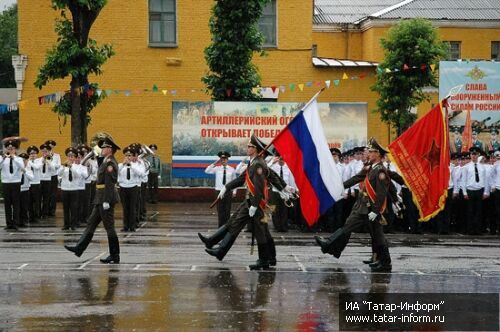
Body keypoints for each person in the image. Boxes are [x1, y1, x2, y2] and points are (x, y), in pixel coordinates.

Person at [198, 134, 289, 270]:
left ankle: (264, 259)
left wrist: (254, 204)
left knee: (259, 230)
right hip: (252, 201)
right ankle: (270, 258)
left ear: (256, 149)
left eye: (250, 146)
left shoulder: (258, 164)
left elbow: (258, 186)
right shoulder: (254, 162)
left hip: (256, 202)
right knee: (237, 222)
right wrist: (227, 187)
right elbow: (244, 178)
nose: (247, 148)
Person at [315, 138, 393, 272]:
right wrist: (340, 187)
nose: (369, 154)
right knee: (372, 234)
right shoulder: (370, 167)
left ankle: (385, 262)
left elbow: (381, 194)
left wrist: (375, 211)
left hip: (370, 209)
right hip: (363, 207)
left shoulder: (380, 171)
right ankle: (382, 260)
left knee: (375, 234)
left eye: (372, 152)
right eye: (369, 151)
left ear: (378, 154)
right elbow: (356, 178)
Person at [64, 136, 121, 264]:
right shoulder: (105, 160)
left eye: (104, 147)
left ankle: (115, 255)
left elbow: (110, 183)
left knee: (109, 227)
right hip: (100, 198)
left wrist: (106, 200)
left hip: (106, 199)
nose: (102, 149)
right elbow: (91, 162)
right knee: (91, 223)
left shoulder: (111, 163)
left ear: (110, 149)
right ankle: (79, 248)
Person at [460, 146, 488, 235]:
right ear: (470, 155)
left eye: (475, 154)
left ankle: (478, 230)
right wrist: (464, 192)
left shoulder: (482, 167)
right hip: (470, 191)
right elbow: (463, 181)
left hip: (480, 190)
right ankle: (470, 230)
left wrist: (486, 192)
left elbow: (485, 180)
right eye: (472, 154)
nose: (474, 156)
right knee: (470, 211)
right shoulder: (466, 167)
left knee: (479, 211)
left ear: (478, 155)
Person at [204, 151, 236, 227]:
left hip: (228, 192)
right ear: (220, 160)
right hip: (218, 191)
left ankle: (226, 226)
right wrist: (215, 163)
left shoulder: (232, 169)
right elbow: (207, 170)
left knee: (227, 210)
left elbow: (234, 181)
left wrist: (234, 191)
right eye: (222, 159)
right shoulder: (217, 168)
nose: (223, 160)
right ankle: (220, 226)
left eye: (225, 159)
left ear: (227, 160)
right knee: (220, 210)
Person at [58, 147, 87, 230]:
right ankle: (66, 224)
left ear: (74, 158)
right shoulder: (63, 165)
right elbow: (59, 174)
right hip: (65, 189)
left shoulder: (77, 166)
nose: (70, 158)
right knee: (65, 208)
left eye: (72, 156)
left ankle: (73, 224)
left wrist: (71, 167)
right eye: (69, 156)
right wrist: (64, 166)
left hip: (74, 189)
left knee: (74, 208)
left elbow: (77, 175)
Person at [1, 139, 25, 230]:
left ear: (15, 149)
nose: (10, 150)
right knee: (7, 204)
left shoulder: (18, 159)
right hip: (6, 183)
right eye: (9, 149)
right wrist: (3, 158)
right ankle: (8, 224)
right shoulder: (2, 158)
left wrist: (13, 157)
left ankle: (15, 223)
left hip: (15, 183)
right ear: (6, 149)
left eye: (12, 149)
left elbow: (22, 167)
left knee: (16, 203)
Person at [118, 146, 143, 232]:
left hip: (133, 188)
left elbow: (140, 173)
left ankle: (132, 226)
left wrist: (131, 165)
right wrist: (123, 164)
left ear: (133, 156)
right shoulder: (120, 165)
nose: (128, 157)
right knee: (125, 208)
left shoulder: (137, 165)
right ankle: (125, 226)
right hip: (123, 188)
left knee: (132, 208)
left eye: (130, 155)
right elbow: (115, 173)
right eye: (126, 155)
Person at [44, 140, 61, 216]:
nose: (50, 147)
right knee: (46, 193)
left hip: (54, 176)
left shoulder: (57, 156)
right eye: (49, 146)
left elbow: (58, 166)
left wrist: (51, 163)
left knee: (53, 194)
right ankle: (46, 211)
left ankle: (52, 211)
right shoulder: (44, 156)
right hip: (46, 176)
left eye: (52, 146)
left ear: (53, 146)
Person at [26, 145, 42, 223]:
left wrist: (29, 161)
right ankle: (30, 216)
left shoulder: (39, 161)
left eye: (34, 153)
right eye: (31, 153)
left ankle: (36, 216)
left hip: (36, 183)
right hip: (29, 183)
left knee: (37, 201)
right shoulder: (26, 161)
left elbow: (37, 167)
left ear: (37, 154)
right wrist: (28, 161)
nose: (32, 155)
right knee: (29, 201)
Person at [19, 153, 34, 228]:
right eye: (22, 160)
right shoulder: (17, 169)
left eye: (25, 160)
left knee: (24, 207)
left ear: (27, 161)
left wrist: (25, 172)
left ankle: (24, 221)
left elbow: (31, 178)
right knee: (17, 206)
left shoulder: (28, 169)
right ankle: (16, 221)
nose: (24, 161)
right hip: (17, 190)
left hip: (25, 190)